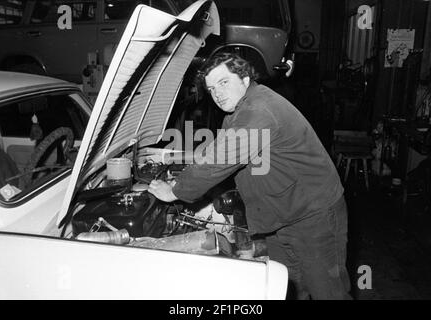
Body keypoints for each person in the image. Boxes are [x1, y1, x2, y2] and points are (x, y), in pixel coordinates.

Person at [148, 52, 351, 300]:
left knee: (328, 294)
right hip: (283, 214)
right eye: (211, 88)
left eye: (224, 82)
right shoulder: (237, 112)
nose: (218, 93)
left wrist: (176, 191)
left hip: (314, 215)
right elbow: (219, 152)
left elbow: (221, 160)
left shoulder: (259, 109)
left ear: (244, 79)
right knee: (285, 289)